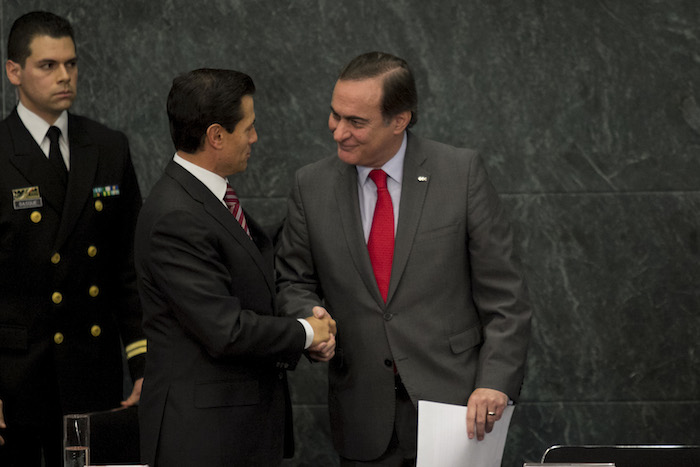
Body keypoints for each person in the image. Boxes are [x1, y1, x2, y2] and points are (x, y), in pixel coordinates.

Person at [275, 51, 532, 466]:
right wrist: (310, 318)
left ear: (400, 120)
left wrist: (495, 383)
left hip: (457, 412)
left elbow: (506, 299)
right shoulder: (311, 185)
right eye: (334, 115)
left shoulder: (460, 174)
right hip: (361, 413)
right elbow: (292, 282)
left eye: (356, 122)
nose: (338, 132)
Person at [135, 68, 336, 467]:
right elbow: (223, 329)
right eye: (249, 127)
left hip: (236, 433)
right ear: (216, 136)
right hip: (204, 442)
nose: (255, 138)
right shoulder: (176, 216)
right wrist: (305, 332)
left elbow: (252, 281)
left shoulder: (210, 196)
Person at [0, 11, 146, 467]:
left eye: (71, 63)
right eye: (48, 65)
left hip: (92, 370)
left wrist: (141, 361)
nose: (64, 76)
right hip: (16, 376)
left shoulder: (107, 147)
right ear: (14, 72)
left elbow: (129, 266)